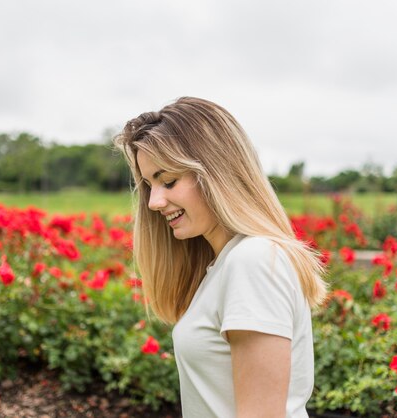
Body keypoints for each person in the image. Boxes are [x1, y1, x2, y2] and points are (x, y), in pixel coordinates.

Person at [114, 97, 327, 418]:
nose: (154, 202)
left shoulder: (252, 261)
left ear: (217, 171)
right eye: (149, 185)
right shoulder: (225, 264)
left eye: (168, 180)